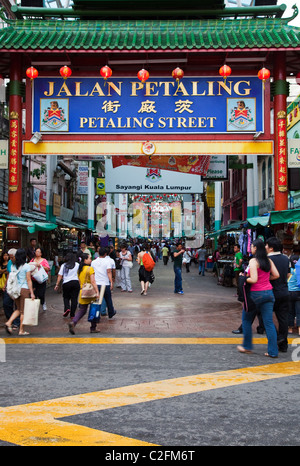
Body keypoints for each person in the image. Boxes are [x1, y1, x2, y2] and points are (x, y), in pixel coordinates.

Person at [237, 239, 279, 358]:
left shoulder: (254, 261)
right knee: (269, 323)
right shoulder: (268, 260)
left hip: (255, 294)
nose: (250, 248)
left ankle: (247, 346)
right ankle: (273, 351)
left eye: (251, 246)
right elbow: (276, 275)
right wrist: (265, 280)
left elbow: (254, 279)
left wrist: (244, 278)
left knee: (246, 320)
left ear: (255, 248)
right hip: (269, 293)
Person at [265, 236, 290, 352]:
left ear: (271, 248)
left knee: (265, 317)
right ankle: (283, 345)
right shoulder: (286, 258)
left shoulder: (267, 260)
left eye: (266, 245)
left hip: (271, 292)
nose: (265, 247)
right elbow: (289, 275)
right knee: (283, 318)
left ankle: (277, 338)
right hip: (285, 291)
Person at [5, 248, 36, 336]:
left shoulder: (13, 266)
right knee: (23, 311)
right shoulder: (26, 266)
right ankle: (21, 330)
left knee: (18, 309)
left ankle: (9, 322)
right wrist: (32, 292)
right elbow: (29, 280)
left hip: (16, 289)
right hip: (24, 289)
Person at [68, 253, 100, 334]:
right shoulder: (90, 269)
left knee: (82, 309)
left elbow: (79, 280)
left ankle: (74, 322)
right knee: (94, 308)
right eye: (89, 258)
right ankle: (93, 328)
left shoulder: (80, 269)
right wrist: (97, 291)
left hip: (83, 291)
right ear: (85, 260)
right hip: (91, 291)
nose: (91, 260)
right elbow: (93, 281)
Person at [91, 247, 116, 319]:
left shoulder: (93, 262)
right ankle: (111, 312)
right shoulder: (108, 261)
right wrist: (111, 282)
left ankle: (96, 314)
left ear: (98, 253)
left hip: (96, 283)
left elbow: (92, 272)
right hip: (105, 283)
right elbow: (109, 272)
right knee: (108, 298)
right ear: (105, 254)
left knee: (97, 299)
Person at [54, 253, 80, 318]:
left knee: (66, 297)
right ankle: (72, 314)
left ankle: (67, 308)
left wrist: (57, 284)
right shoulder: (77, 265)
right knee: (74, 299)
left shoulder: (64, 265)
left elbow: (60, 275)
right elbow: (80, 275)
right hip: (75, 283)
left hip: (66, 283)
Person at [30, 247, 50, 311]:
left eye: (38, 251)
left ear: (41, 253)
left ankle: (43, 302)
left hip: (41, 280)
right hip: (34, 280)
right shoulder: (32, 260)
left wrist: (40, 266)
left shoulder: (44, 260)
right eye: (36, 251)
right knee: (35, 294)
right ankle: (35, 307)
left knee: (41, 294)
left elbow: (48, 268)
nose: (37, 253)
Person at [288, 255, 300, 335]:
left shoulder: (288, 271)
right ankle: (299, 329)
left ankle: (290, 328)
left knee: (290, 311)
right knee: (299, 311)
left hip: (289, 293)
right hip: (298, 293)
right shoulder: (299, 271)